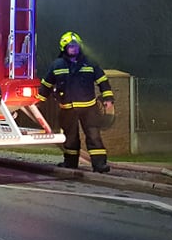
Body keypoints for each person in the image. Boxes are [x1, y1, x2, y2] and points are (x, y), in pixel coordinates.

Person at [36, 31, 114, 173]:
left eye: (76, 46)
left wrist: (108, 99)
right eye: (71, 46)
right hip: (67, 108)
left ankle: (100, 165)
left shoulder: (90, 63)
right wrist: (38, 102)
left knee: (94, 136)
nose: (74, 48)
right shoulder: (57, 65)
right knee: (70, 138)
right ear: (64, 48)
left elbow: (103, 81)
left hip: (89, 108)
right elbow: (46, 85)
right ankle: (70, 164)